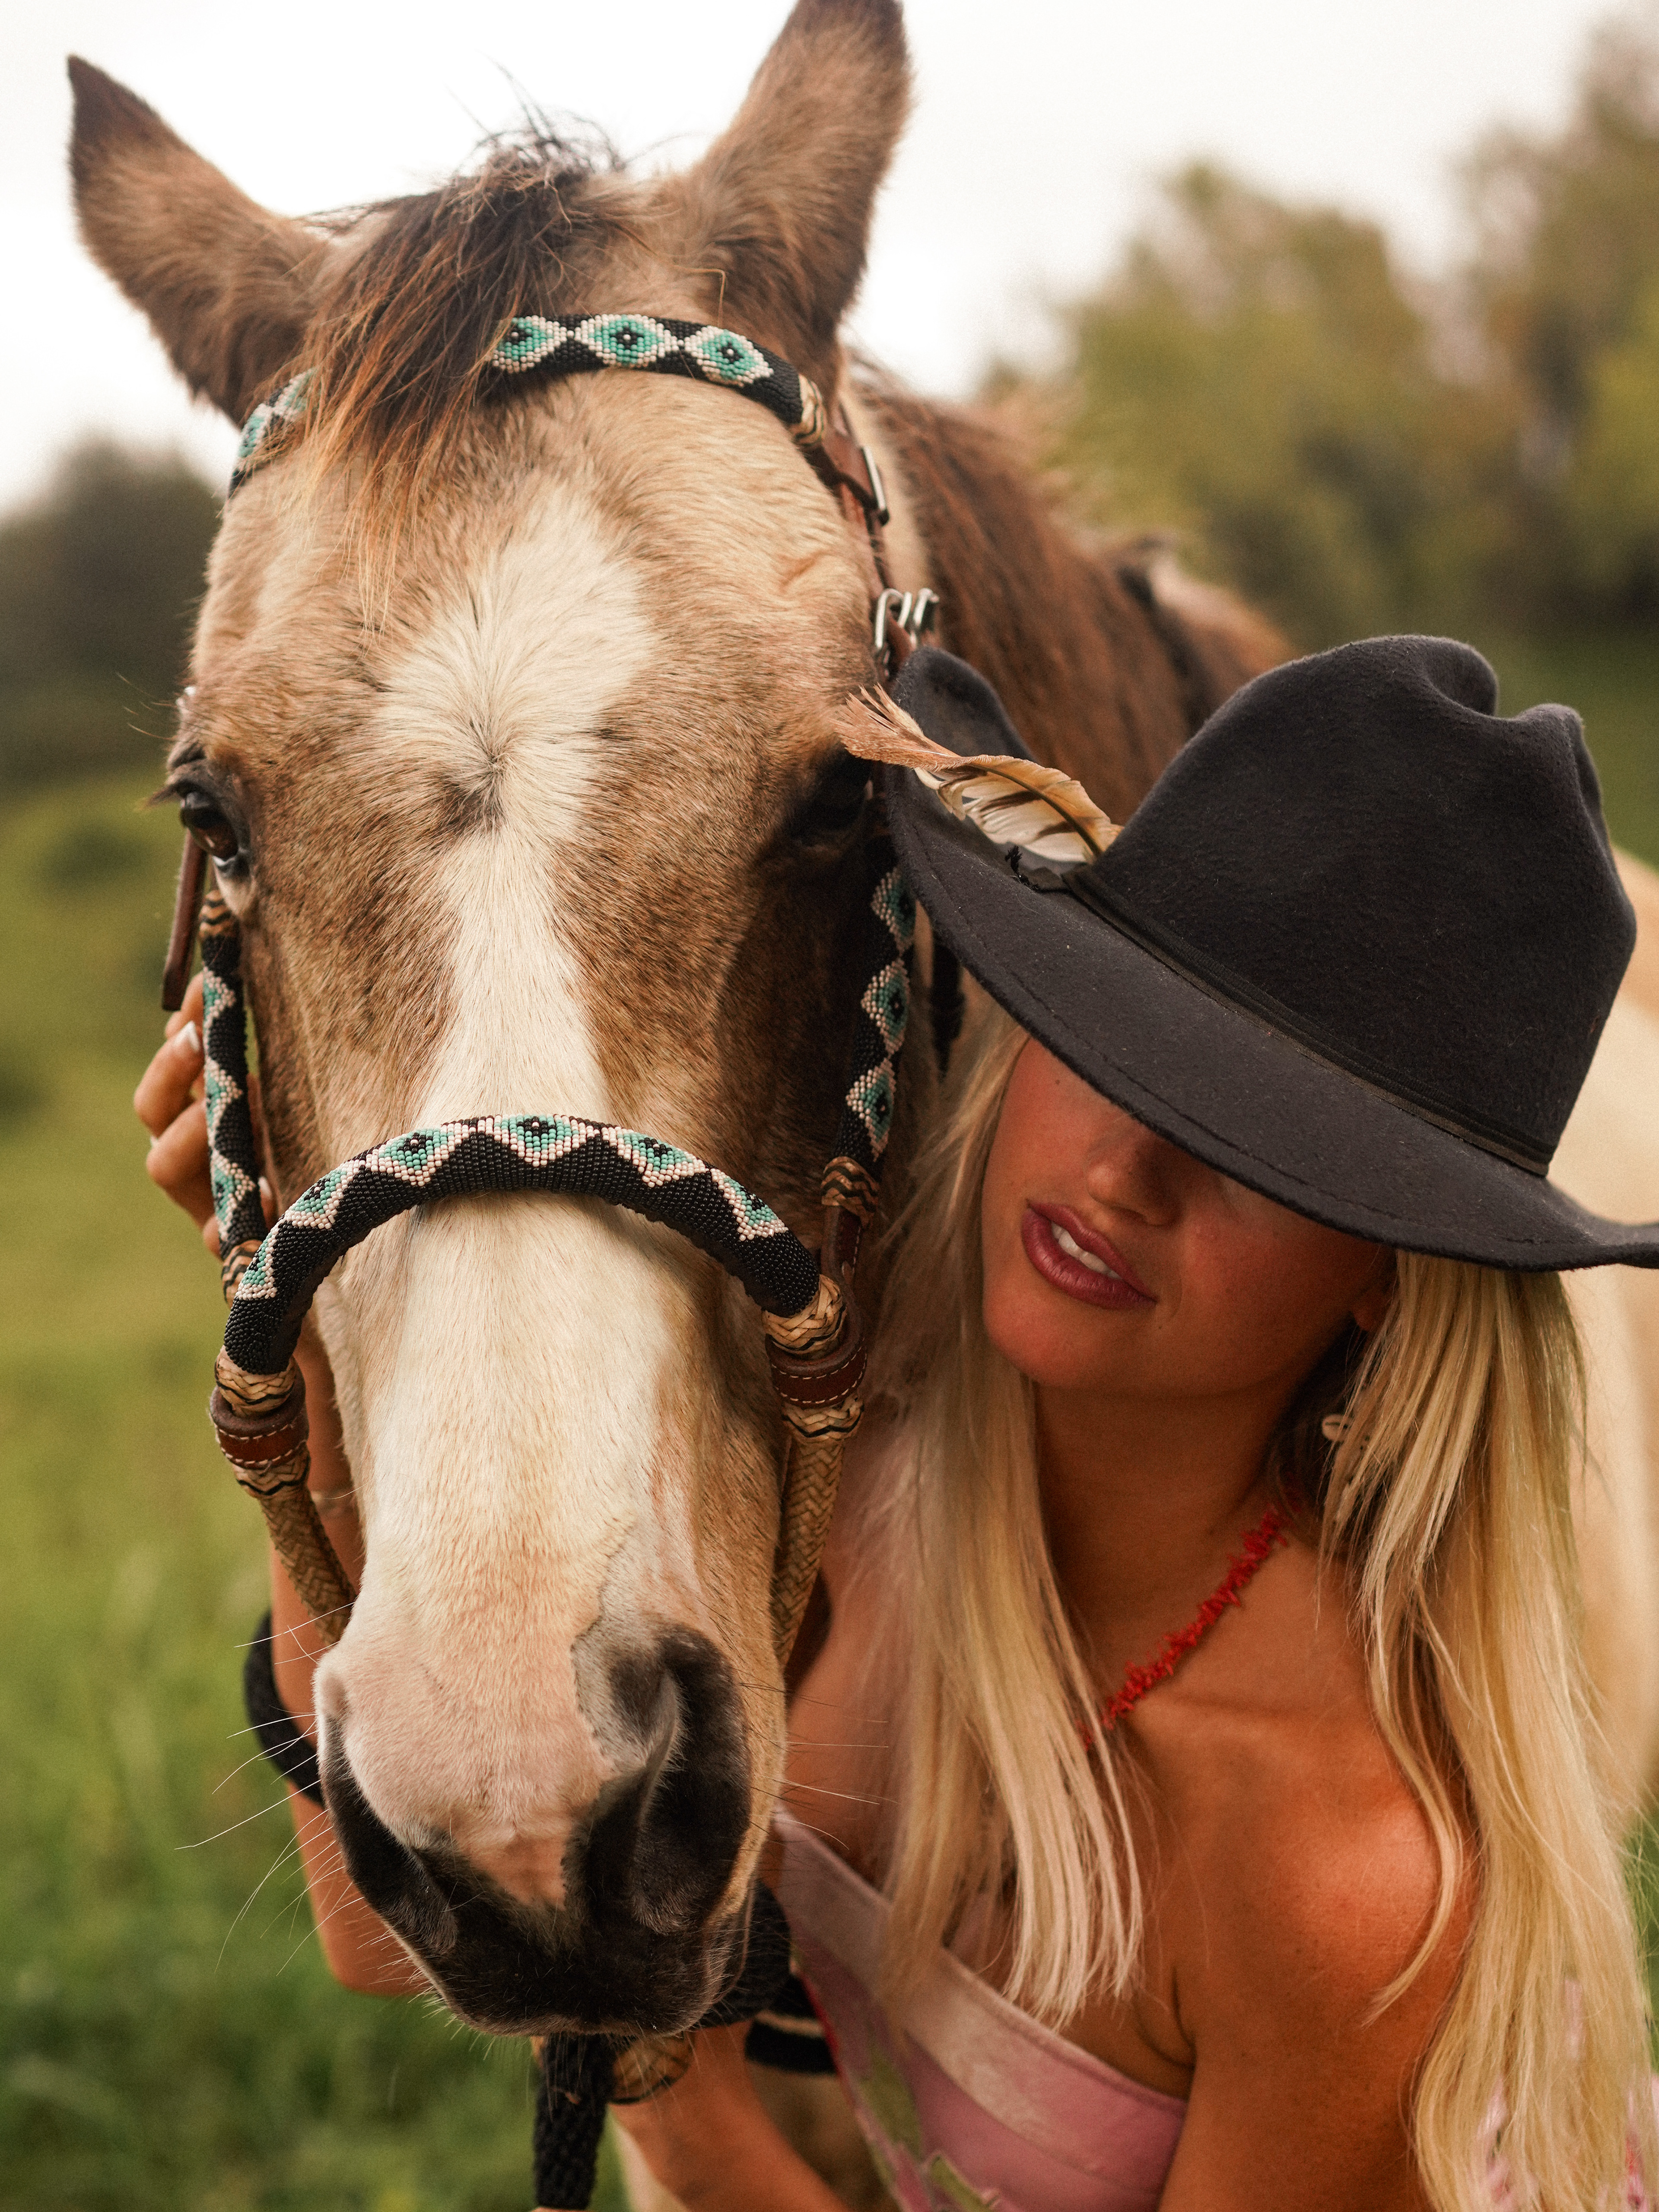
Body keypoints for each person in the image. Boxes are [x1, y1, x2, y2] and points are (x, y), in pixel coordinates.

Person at [138, 636, 1659, 2210]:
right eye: (1120, 1042)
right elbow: (376, 1932)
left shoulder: (1335, 1875)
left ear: (1385, 1282)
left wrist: (676, 2117)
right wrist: (294, 1331)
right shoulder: (854, 1480)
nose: (1128, 1174)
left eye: (1269, 1148)